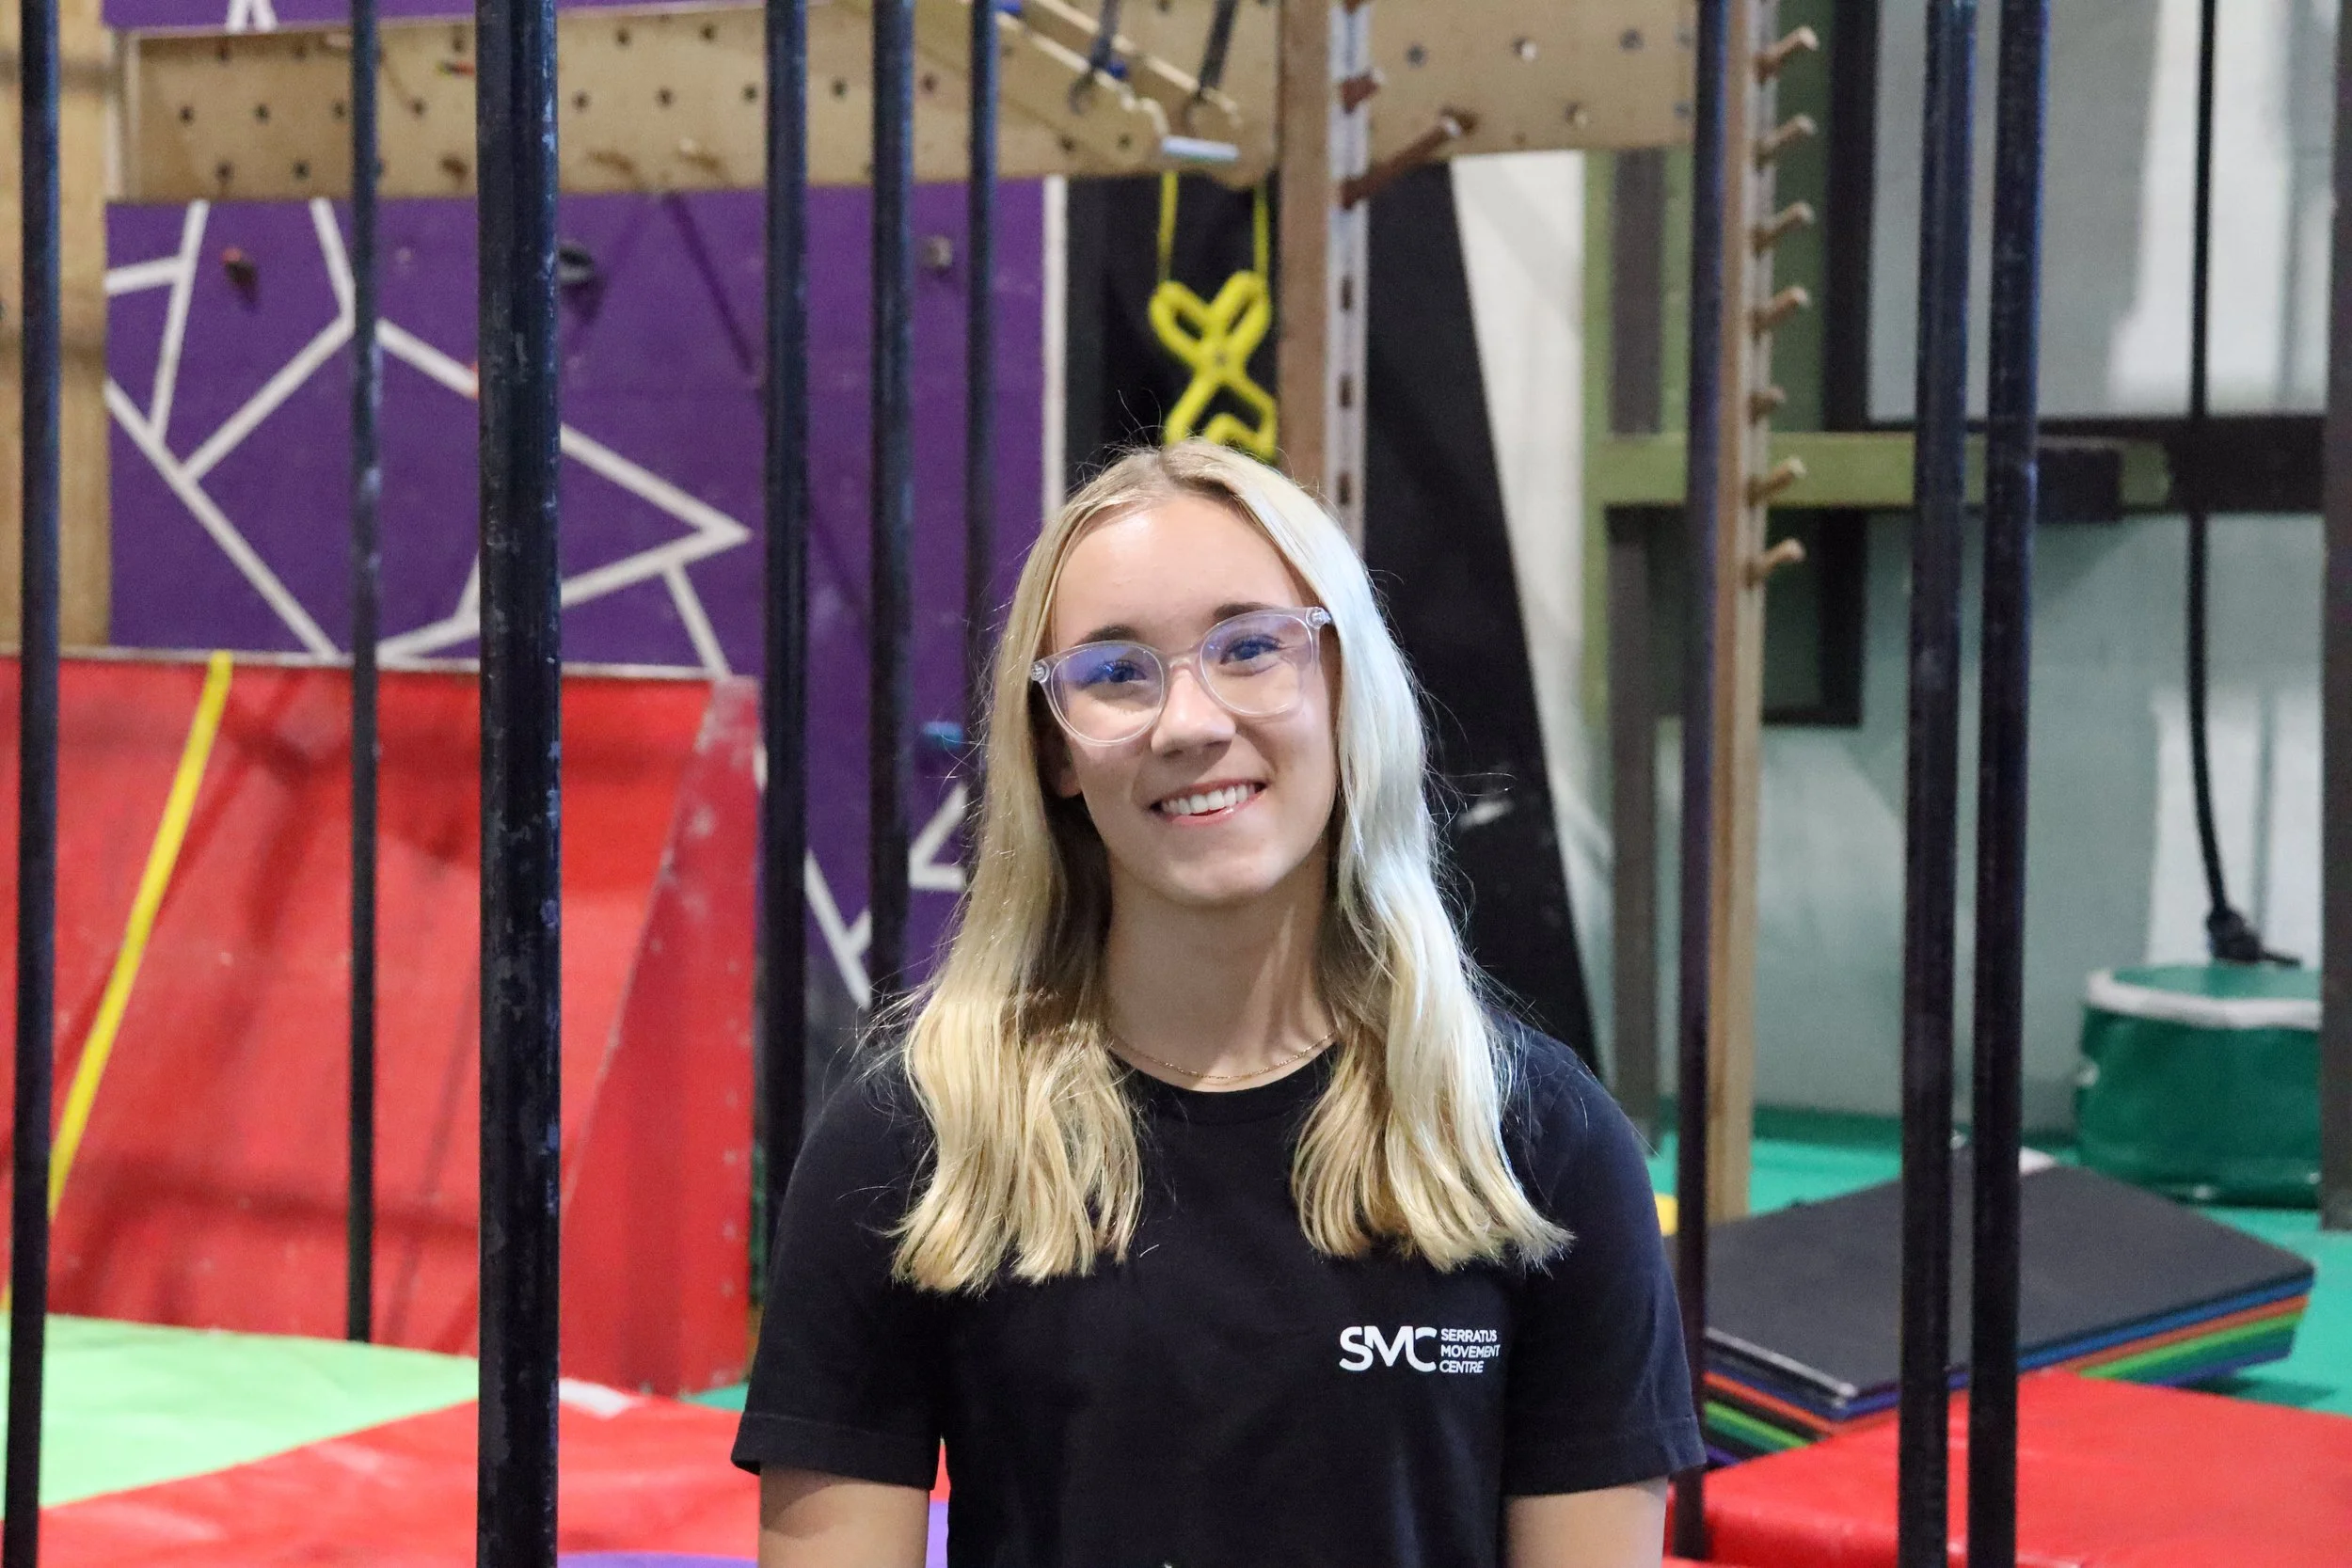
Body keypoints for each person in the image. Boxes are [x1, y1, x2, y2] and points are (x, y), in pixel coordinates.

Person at [733, 443, 1700, 1567]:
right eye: (1115, 672)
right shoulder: (914, 1142)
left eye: (1248, 648)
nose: (1187, 722)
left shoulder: (1537, 1140)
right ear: (1053, 749)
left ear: (1343, 686)